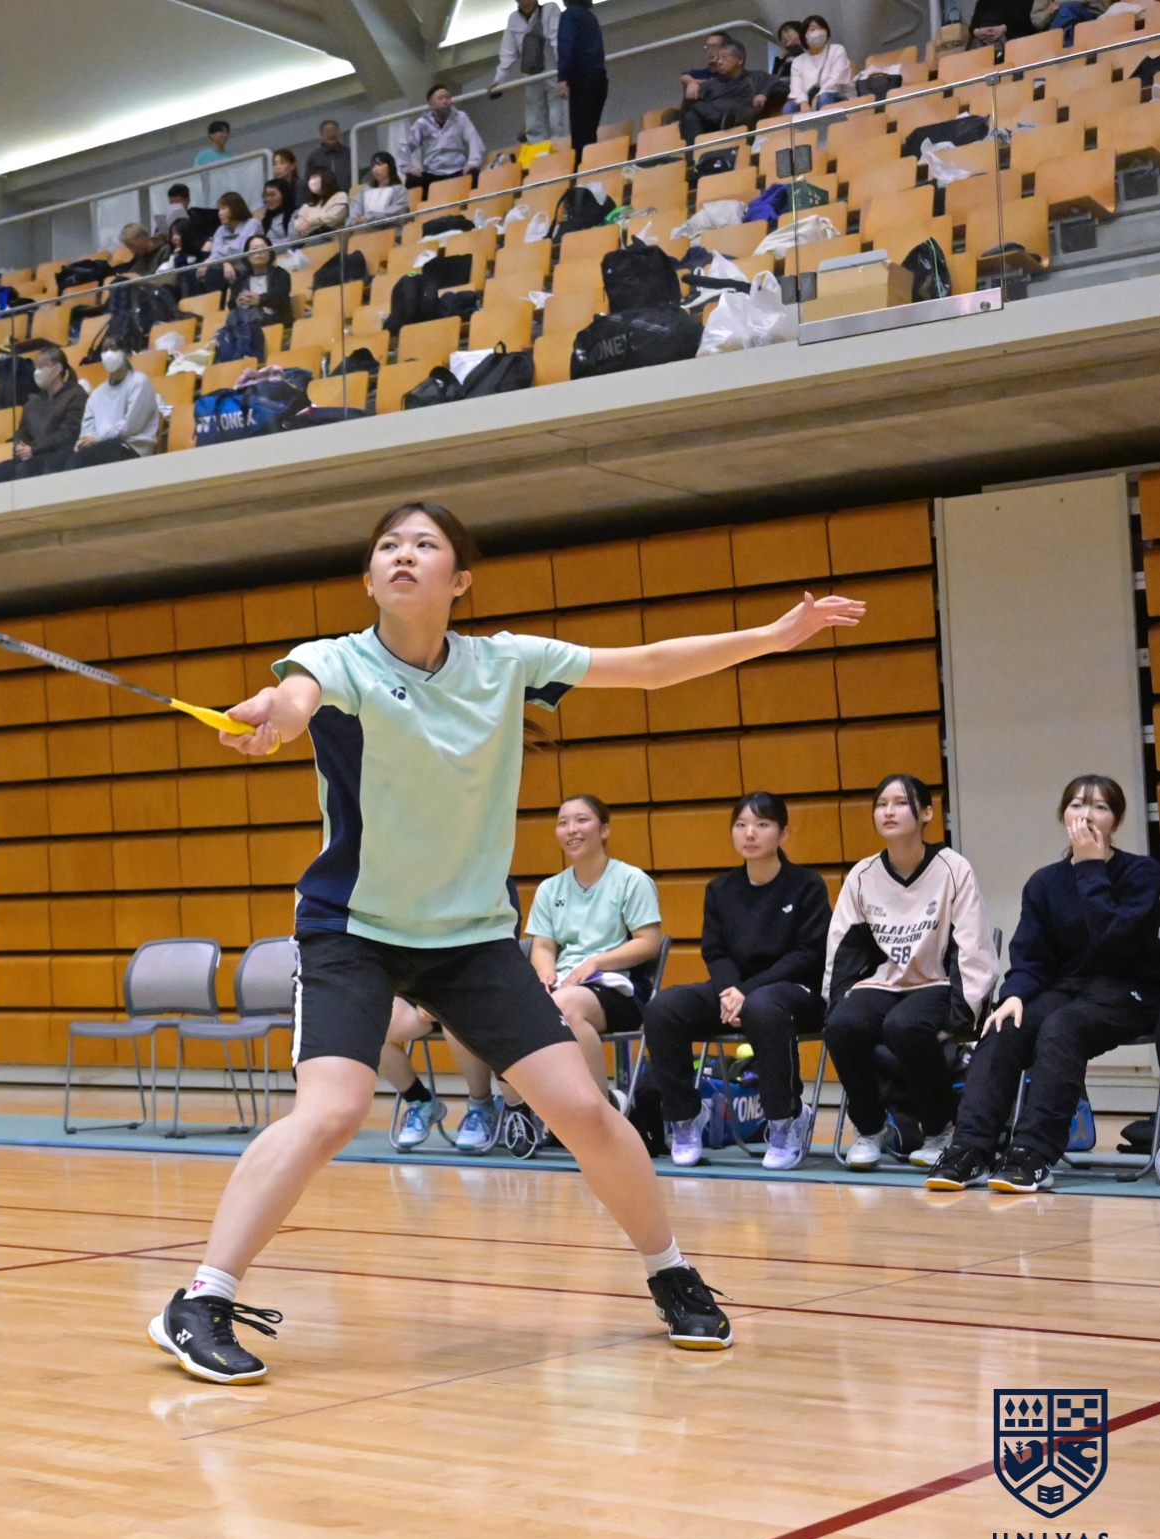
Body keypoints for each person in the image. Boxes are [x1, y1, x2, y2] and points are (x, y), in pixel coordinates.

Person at [145, 501, 866, 1382]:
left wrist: (773, 637)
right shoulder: (336, 662)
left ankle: (669, 1270)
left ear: (458, 580)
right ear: (368, 579)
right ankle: (201, 1298)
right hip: (352, 928)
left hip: (470, 938)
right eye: (387, 546)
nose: (402, 555)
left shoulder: (505, 662)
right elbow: (291, 700)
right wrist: (268, 714)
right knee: (331, 1111)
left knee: (584, 1111)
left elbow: (645, 667)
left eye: (424, 545)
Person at [931, 776, 1160, 1193]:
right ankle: (970, 1149)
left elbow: (1116, 939)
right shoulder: (1044, 882)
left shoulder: (1143, 873)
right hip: (1067, 989)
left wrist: (1091, 867)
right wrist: (1014, 995)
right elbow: (1031, 956)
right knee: (1003, 1027)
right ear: (1063, 815)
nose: (1086, 815)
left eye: (1100, 807)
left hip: (1129, 989)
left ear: (1117, 820)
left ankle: (1032, 1153)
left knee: (1062, 1027)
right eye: (1077, 805)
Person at [632, 792, 830, 1170]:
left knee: (763, 1007)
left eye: (762, 824)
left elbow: (807, 954)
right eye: (741, 825)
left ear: (783, 833)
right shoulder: (720, 890)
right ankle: (686, 1118)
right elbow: (716, 952)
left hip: (794, 992)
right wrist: (729, 991)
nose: (749, 833)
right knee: (663, 1009)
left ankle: (785, 1120)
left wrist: (746, 991)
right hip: (735, 990)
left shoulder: (807, 885)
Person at [821, 775, 998, 1171]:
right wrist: (838, 1003)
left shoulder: (953, 869)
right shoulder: (863, 875)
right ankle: (871, 1128)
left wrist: (964, 1011)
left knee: (905, 1026)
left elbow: (973, 944)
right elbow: (843, 948)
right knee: (843, 1026)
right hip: (883, 983)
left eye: (900, 803)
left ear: (927, 814)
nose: (889, 811)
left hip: (937, 982)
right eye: (881, 804)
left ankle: (939, 1129)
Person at [526, 795, 664, 1097]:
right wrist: (546, 973)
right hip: (564, 984)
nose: (571, 829)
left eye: (581, 820)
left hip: (619, 988)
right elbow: (543, 945)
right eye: (563, 823)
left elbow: (648, 943)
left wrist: (596, 963)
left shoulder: (631, 880)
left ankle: (602, 1108)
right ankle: (521, 1109)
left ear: (604, 830)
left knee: (564, 1007)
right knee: (513, 1010)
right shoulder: (549, 889)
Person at [380, 1001, 504, 1153]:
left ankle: (482, 1107)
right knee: (373, 1022)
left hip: (466, 999)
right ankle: (421, 1102)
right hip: (423, 998)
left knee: (457, 1021)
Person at [0, 347, 86, 484]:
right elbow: (22, 432)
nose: (37, 372)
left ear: (57, 369)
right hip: (33, 455)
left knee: (26, 469)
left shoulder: (76, 395)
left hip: (60, 454)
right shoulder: (33, 402)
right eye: (36, 367)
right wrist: (20, 448)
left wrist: (35, 450)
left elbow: (69, 433)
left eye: (42, 366)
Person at [74, 336, 161, 465]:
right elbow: (87, 428)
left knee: (96, 455)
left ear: (126, 353)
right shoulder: (97, 394)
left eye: (114, 348)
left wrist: (98, 438)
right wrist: (86, 440)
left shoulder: (139, 383)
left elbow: (131, 426)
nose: (109, 354)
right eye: (105, 350)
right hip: (101, 447)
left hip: (132, 448)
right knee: (67, 459)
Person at [494, 0, 564, 146]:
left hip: (553, 71)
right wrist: (498, 81)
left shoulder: (550, 10)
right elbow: (508, 52)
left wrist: (564, 70)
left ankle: (560, 147)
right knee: (534, 114)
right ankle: (538, 150)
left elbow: (556, 41)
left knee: (557, 113)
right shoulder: (513, 19)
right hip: (531, 75)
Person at [398, 86, 485, 193]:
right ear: (431, 104)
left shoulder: (461, 118)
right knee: (412, 180)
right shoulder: (422, 123)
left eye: (447, 98)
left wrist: (472, 162)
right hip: (432, 173)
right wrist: (409, 167)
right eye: (440, 98)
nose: (445, 101)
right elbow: (405, 145)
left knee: (474, 172)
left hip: (458, 170)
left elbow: (474, 139)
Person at [679, 39, 769, 140]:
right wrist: (692, 85)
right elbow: (688, 103)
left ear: (740, 59)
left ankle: (719, 120)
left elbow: (779, 88)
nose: (719, 62)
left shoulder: (756, 77)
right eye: (718, 58)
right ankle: (717, 119)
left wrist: (763, 94)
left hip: (742, 126)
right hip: (714, 129)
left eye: (724, 57)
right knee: (690, 114)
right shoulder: (712, 84)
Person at [556, 0, 608, 152]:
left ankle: (583, 166)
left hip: (582, 79)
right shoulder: (590, 16)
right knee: (589, 132)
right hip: (599, 78)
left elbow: (566, 46)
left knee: (581, 137)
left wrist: (562, 77)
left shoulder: (569, 15)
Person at [786, 16, 854, 111]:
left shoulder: (837, 50)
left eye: (821, 28)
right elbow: (796, 86)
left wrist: (818, 96)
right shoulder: (798, 61)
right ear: (804, 36)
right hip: (808, 100)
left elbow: (836, 80)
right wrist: (803, 102)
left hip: (836, 95)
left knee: (825, 97)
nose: (818, 32)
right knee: (789, 107)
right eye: (813, 29)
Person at [292, 168, 350, 238]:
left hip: (331, 238)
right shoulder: (310, 204)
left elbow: (333, 218)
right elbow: (299, 221)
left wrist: (310, 222)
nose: (311, 182)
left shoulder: (340, 196)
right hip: (307, 239)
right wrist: (301, 226)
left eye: (315, 177)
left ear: (327, 179)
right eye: (310, 179)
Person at [355, 152, 412, 223]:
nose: (375, 169)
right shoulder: (364, 191)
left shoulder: (399, 189)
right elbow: (355, 213)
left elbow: (396, 212)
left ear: (390, 166)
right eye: (373, 166)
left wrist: (369, 218)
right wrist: (357, 219)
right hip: (364, 228)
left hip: (391, 228)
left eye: (379, 164)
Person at [304, 119, 352, 197]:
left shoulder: (348, 153)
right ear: (321, 135)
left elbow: (357, 175)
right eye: (327, 132)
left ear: (338, 133)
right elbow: (309, 182)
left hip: (348, 196)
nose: (331, 134)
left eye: (334, 131)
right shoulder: (314, 157)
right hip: (325, 199)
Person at [257, 178, 300, 246]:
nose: (269, 199)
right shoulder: (265, 219)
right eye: (266, 195)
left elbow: (293, 241)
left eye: (273, 195)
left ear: (285, 195)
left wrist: (268, 247)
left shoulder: (296, 215)